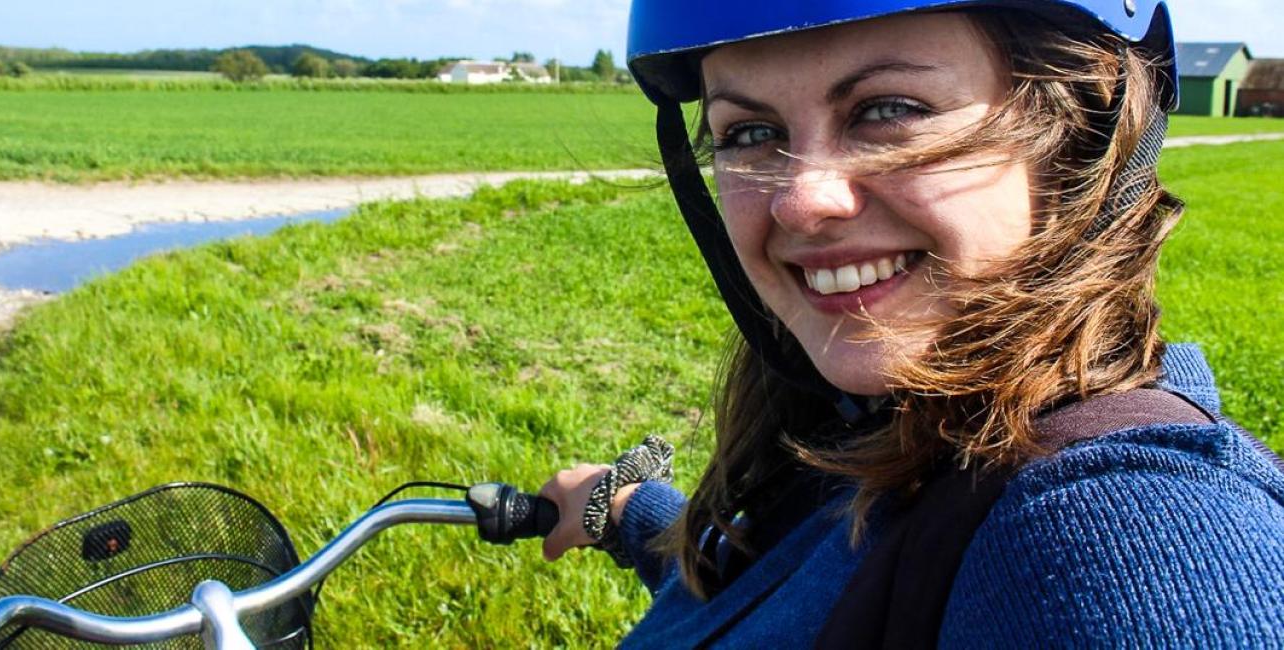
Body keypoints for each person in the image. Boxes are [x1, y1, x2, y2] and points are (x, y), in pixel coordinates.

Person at [539, 0, 1284, 646]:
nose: (801, 201)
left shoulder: (1130, 536)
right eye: (747, 132)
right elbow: (811, 586)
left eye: (888, 109)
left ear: (1075, 139)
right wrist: (635, 514)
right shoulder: (888, 425)